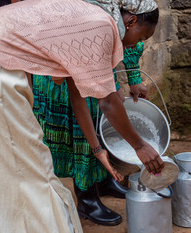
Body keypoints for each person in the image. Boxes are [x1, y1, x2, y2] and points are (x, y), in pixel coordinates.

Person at [0, 0, 163, 232]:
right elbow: (108, 102)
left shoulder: (89, 18)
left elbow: (77, 96)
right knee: (28, 160)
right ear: (130, 21)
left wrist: (98, 150)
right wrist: (140, 146)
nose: (135, 44)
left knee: (12, 156)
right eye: (141, 37)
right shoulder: (100, 25)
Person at [32, 41, 148, 226]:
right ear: (130, 21)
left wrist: (131, 79)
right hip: (62, 72)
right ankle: (86, 199)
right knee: (83, 132)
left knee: (98, 124)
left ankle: (102, 181)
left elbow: (122, 45)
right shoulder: (96, 20)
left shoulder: (112, 19)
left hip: (90, 70)